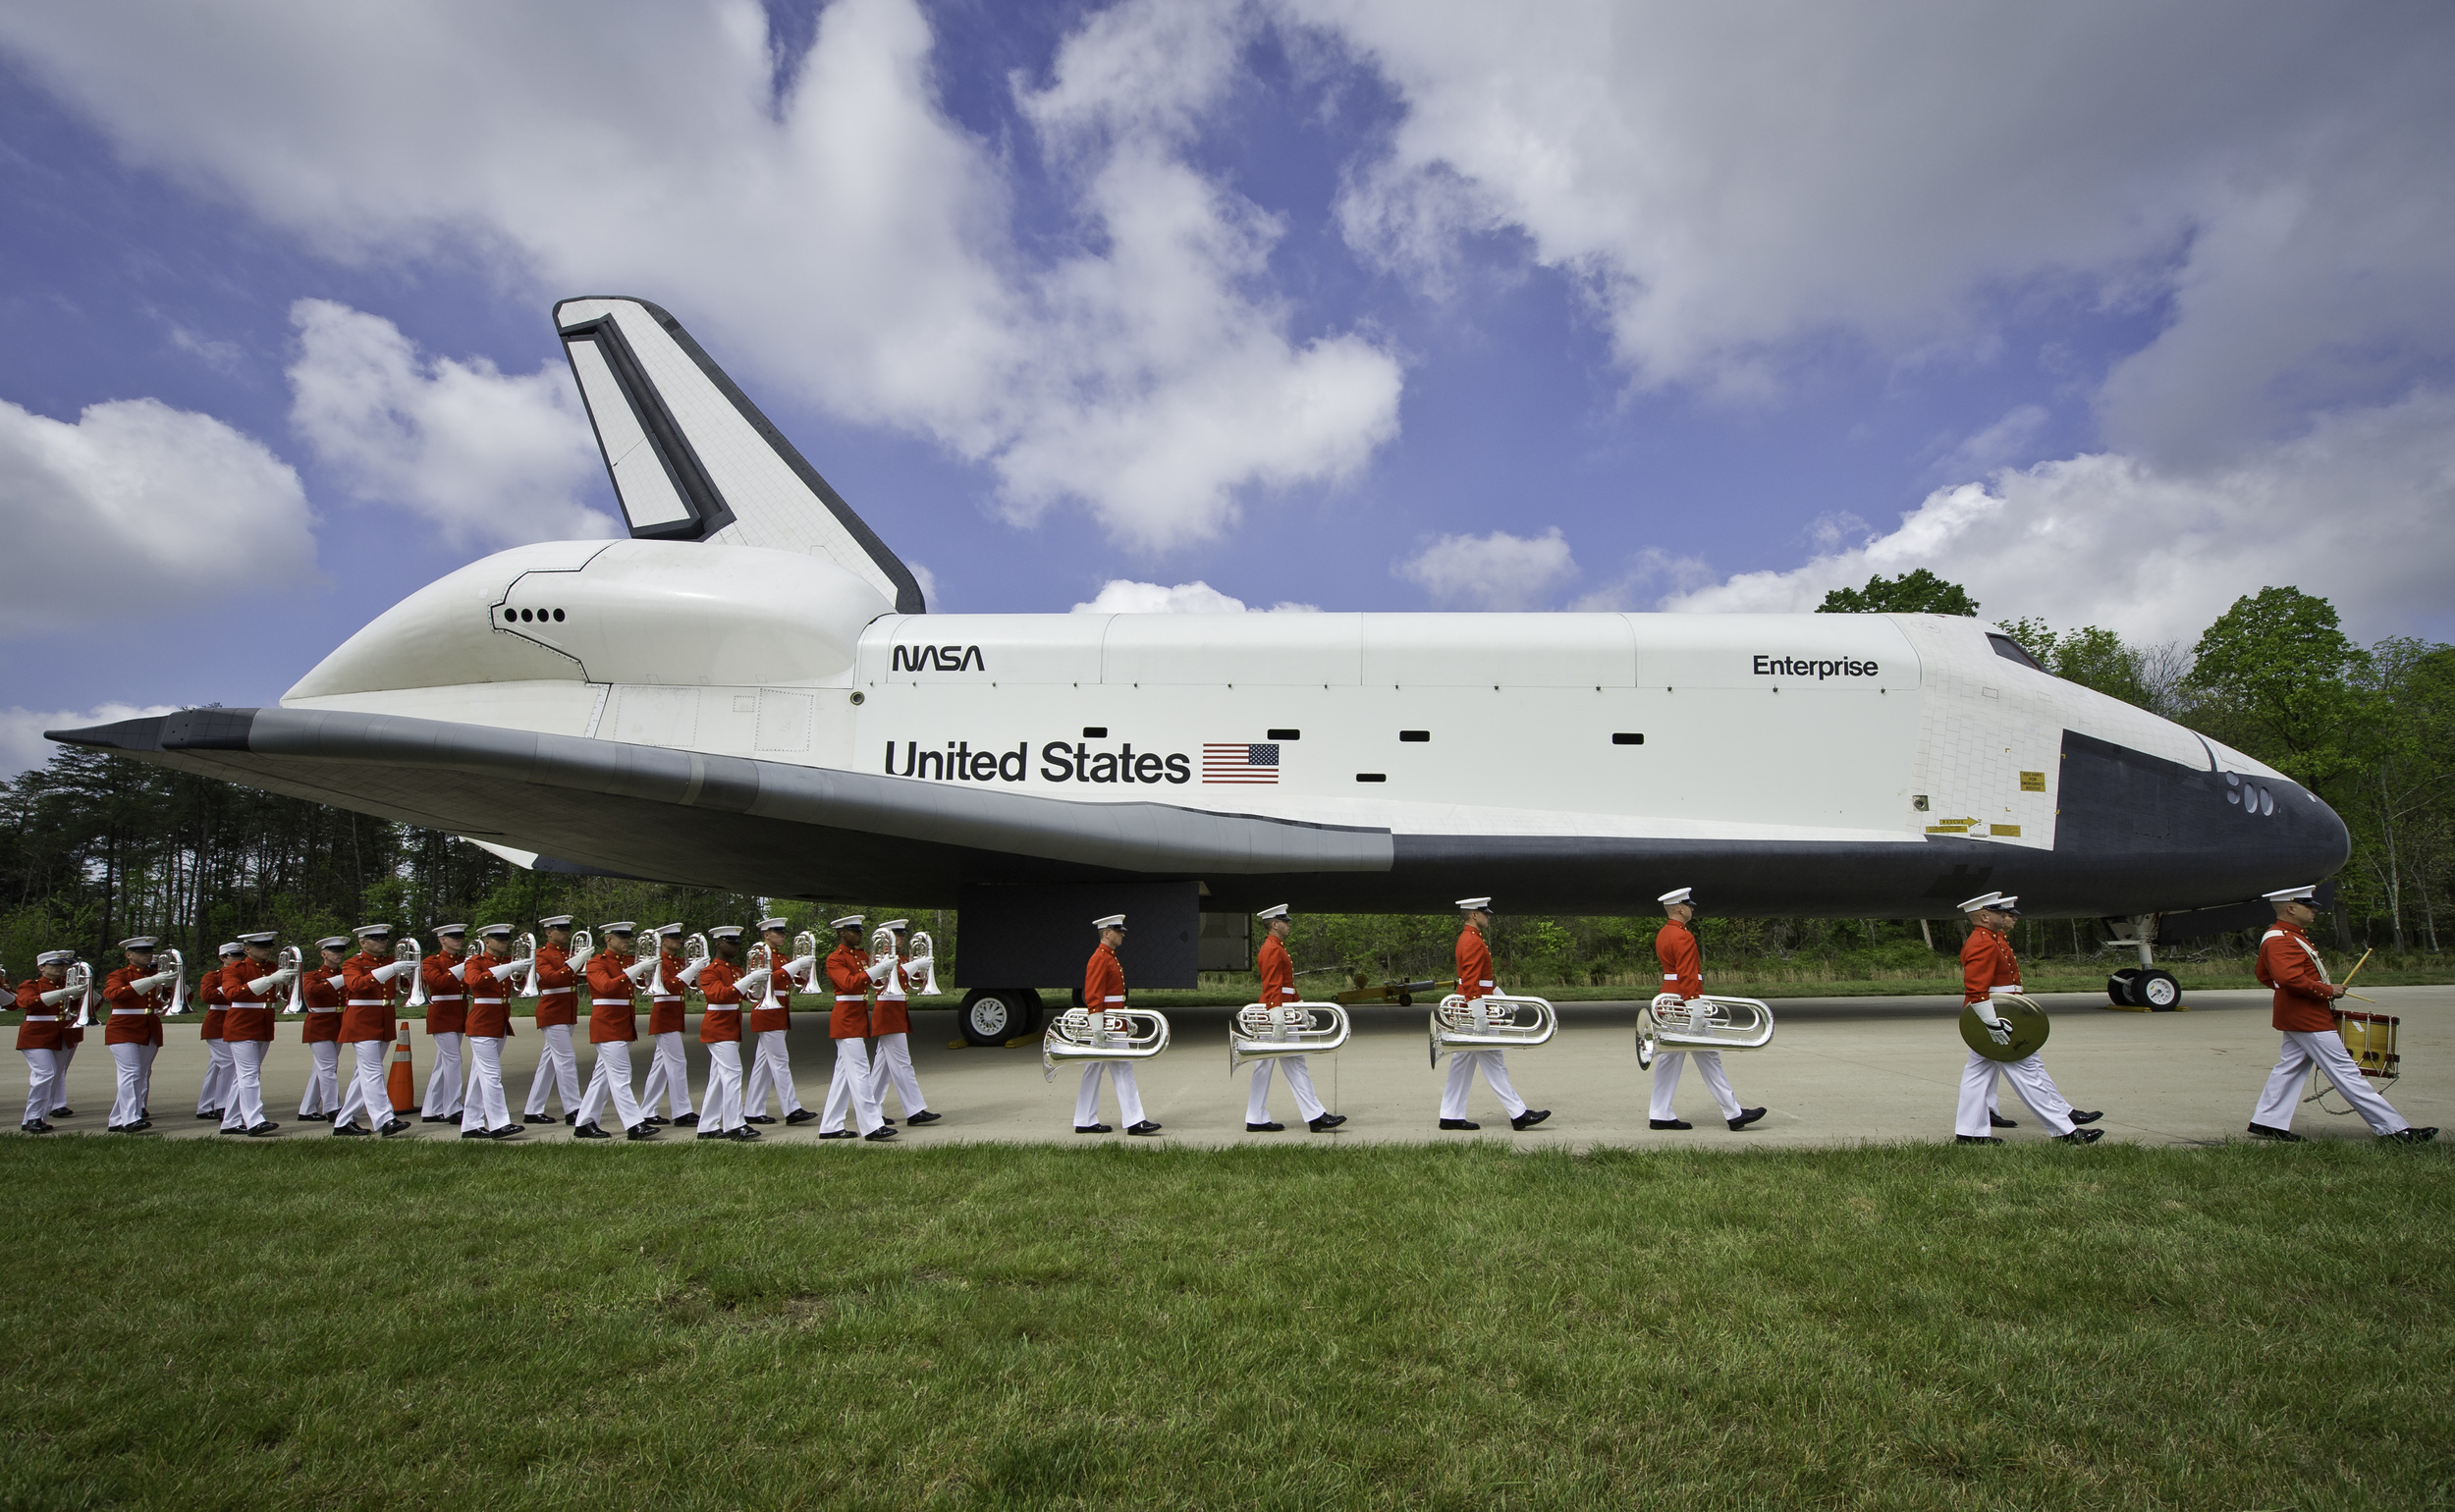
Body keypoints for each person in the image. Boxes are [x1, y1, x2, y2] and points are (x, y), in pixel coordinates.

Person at [2247, 886, 2435, 1144]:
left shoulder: (2286, 935)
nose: (2314, 911)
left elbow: (2266, 975)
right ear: (2290, 908)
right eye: (2308, 906)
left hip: (2301, 1013)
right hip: (2307, 1017)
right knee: (2345, 1072)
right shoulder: (2281, 938)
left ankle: (2267, 1122)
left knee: (2289, 1068)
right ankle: (2393, 1130)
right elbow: (2286, 977)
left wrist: (2298, 994)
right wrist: (2325, 990)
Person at [1953, 892, 2100, 1145]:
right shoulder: (1982, 942)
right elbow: (1977, 990)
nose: (2006, 916)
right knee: (2027, 1074)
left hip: (1997, 1016)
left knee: (1977, 1076)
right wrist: (1991, 1023)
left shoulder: (1989, 939)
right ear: (1985, 916)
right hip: (1995, 1019)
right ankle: (2065, 1131)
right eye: (2000, 913)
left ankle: (1970, 1133)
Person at [1647, 888, 1766, 1133]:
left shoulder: (1664, 933)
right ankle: (1733, 1113)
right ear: (1679, 908)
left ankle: (1660, 1113)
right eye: (1689, 906)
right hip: (1683, 1000)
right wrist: (1695, 1005)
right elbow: (1687, 973)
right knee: (1707, 1055)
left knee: (1671, 1057)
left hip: (1670, 997)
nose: (1692, 909)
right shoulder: (1683, 936)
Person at [1439, 899, 1549, 1132]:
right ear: (1472, 915)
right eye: (1483, 913)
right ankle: (1518, 1114)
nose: (1488, 916)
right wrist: (1480, 1014)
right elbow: (1470, 981)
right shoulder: (1471, 940)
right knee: (1494, 1063)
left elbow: (1483, 980)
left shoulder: (1471, 938)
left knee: (1462, 1064)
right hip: (1477, 1010)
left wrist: (1504, 1000)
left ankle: (1450, 1115)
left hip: (1473, 1006)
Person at [1243, 904, 1340, 1133]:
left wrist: (1300, 1007)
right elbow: (1272, 986)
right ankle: (1315, 1116)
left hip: (1281, 1011)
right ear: (1274, 924)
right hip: (1277, 1015)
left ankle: (1257, 1117)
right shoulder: (1272, 949)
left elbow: (1287, 986)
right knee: (1291, 1063)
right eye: (1285, 922)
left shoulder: (1276, 948)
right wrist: (1277, 1015)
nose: (1288, 925)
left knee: (1269, 1066)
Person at [1075, 914, 1160, 1136]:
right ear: (1106, 933)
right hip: (1107, 1024)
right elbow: (1093, 995)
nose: (1122, 934)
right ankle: (1134, 1120)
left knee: (1093, 1069)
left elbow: (1114, 996)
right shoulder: (1100, 958)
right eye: (1118, 930)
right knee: (1122, 1067)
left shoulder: (1108, 957)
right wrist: (1098, 1027)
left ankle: (1084, 1120)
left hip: (1112, 1020)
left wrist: (1125, 1017)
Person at [574, 922, 658, 1141]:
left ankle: (584, 1123)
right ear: (608, 939)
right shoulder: (595, 963)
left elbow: (639, 983)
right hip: (607, 1025)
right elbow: (607, 987)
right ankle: (634, 1124)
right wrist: (637, 968)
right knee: (621, 1077)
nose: (627, 941)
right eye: (621, 937)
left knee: (601, 1077)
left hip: (622, 1024)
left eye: (628, 937)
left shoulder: (628, 962)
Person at [334, 924, 415, 1138]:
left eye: (384, 939)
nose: (382, 942)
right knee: (372, 1072)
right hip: (361, 1021)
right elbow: (356, 985)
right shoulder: (353, 963)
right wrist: (391, 969)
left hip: (383, 1019)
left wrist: (409, 972)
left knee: (364, 1073)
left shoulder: (389, 961)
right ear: (363, 942)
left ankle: (343, 1122)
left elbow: (405, 985)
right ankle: (385, 1119)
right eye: (376, 939)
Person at [818, 916, 895, 1142]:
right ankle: (872, 1126)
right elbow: (850, 983)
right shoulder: (835, 959)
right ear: (842, 932)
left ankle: (830, 1125)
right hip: (846, 1019)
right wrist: (877, 969)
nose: (859, 933)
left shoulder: (861, 955)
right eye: (854, 930)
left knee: (843, 1076)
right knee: (861, 1072)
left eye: (860, 930)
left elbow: (872, 980)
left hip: (857, 1017)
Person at [741, 917, 817, 1125]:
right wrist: (793, 966)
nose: (782, 935)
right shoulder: (759, 954)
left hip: (779, 1011)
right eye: (777, 932)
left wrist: (804, 970)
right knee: (780, 1062)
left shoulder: (782, 957)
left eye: (783, 932)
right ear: (766, 935)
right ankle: (792, 1109)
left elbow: (793, 980)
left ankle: (753, 1110)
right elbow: (764, 980)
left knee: (763, 1064)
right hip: (767, 1012)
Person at [456, 925, 528, 1139]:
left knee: (481, 1075)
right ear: (486, 941)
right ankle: (499, 1123)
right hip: (482, 1022)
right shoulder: (475, 962)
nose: (504, 942)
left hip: (499, 1021)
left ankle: (470, 1124)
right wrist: (508, 969)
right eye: (498, 938)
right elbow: (474, 981)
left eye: (506, 938)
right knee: (492, 1075)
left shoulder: (505, 962)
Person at [865, 919, 940, 1127]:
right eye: (897, 934)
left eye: (902, 935)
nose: (901, 938)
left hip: (897, 1011)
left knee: (883, 1068)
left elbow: (913, 979)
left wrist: (924, 968)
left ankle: (871, 1109)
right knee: (902, 1064)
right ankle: (914, 1110)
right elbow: (886, 978)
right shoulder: (881, 958)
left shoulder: (901, 958)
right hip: (887, 1011)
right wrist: (915, 965)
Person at [217, 932, 291, 1136]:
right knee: (249, 1074)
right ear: (247, 949)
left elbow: (282, 994)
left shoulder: (272, 967)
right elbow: (232, 993)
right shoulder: (236, 968)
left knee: (245, 1075)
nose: (266, 950)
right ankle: (255, 1120)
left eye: (268, 946)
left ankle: (230, 1121)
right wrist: (270, 979)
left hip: (263, 1023)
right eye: (260, 947)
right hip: (241, 1023)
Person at [102, 937, 177, 1132]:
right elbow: (114, 994)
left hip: (149, 1027)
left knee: (140, 1074)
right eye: (141, 952)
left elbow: (175, 997)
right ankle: (130, 1119)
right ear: (128, 955)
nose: (147, 955)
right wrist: (152, 981)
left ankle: (117, 1119)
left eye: (149, 952)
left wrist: (178, 981)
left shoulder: (155, 973)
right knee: (132, 1073)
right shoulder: (119, 974)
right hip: (123, 1028)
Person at [688, 926, 755, 1141]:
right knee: (733, 1073)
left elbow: (748, 996)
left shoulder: (735, 970)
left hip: (731, 1026)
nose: (735, 946)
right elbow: (719, 996)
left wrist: (761, 982)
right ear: (718, 944)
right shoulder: (709, 971)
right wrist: (747, 981)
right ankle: (735, 1124)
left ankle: (707, 1126)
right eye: (731, 942)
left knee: (718, 1078)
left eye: (737, 942)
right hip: (718, 1028)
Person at [521, 915, 584, 1125]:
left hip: (567, 1011)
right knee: (566, 1060)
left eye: (567, 929)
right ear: (548, 932)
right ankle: (573, 1109)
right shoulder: (541, 955)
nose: (565, 933)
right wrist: (575, 962)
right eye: (560, 929)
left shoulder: (567, 953)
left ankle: (533, 1109)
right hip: (552, 1012)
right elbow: (553, 978)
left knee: (548, 1063)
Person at [636, 924, 697, 1127]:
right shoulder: (659, 962)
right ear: (663, 941)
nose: (678, 940)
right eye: (674, 938)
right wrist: (690, 971)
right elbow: (669, 986)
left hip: (673, 1015)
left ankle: (647, 1110)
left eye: (679, 937)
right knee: (678, 1063)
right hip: (664, 1015)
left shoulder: (676, 961)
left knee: (661, 1067)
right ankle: (682, 1111)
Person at [16, 951, 81, 1133]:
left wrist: (88, 990)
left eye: (63, 965)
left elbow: (92, 1005)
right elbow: (26, 1002)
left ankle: (35, 1118)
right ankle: (34, 1117)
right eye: (54, 965)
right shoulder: (30, 985)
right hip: (36, 1035)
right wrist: (64, 992)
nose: (61, 968)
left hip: (62, 1034)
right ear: (41, 967)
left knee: (52, 1077)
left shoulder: (68, 984)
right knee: (45, 1074)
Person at [417, 926, 470, 1123]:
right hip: (442, 1013)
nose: (459, 940)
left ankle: (431, 1109)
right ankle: (453, 1108)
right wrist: (464, 966)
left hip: (459, 1011)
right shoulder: (432, 961)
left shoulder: (462, 959)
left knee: (443, 1063)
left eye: (461, 937)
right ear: (442, 940)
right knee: (453, 1061)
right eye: (454, 937)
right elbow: (438, 982)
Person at [297, 937, 349, 1120]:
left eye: (341, 951)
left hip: (339, 1022)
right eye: (334, 951)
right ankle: (332, 1108)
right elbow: (312, 991)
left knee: (322, 1068)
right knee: (328, 1068)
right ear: (323, 954)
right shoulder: (313, 975)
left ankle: (307, 1109)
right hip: (319, 1024)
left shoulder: (344, 972)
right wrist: (341, 979)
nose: (339, 954)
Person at [194, 942, 240, 1121]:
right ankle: (223, 1104)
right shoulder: (212, 976)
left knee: (216, 1067)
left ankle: (205, 1106)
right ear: (222, 958)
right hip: (217, 1023)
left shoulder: (244, 974)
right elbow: (208, 996)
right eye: (233, 956)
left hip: (236, 1022)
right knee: (229, 1064)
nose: (238, 959)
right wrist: (230, 987)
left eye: (241, 956)